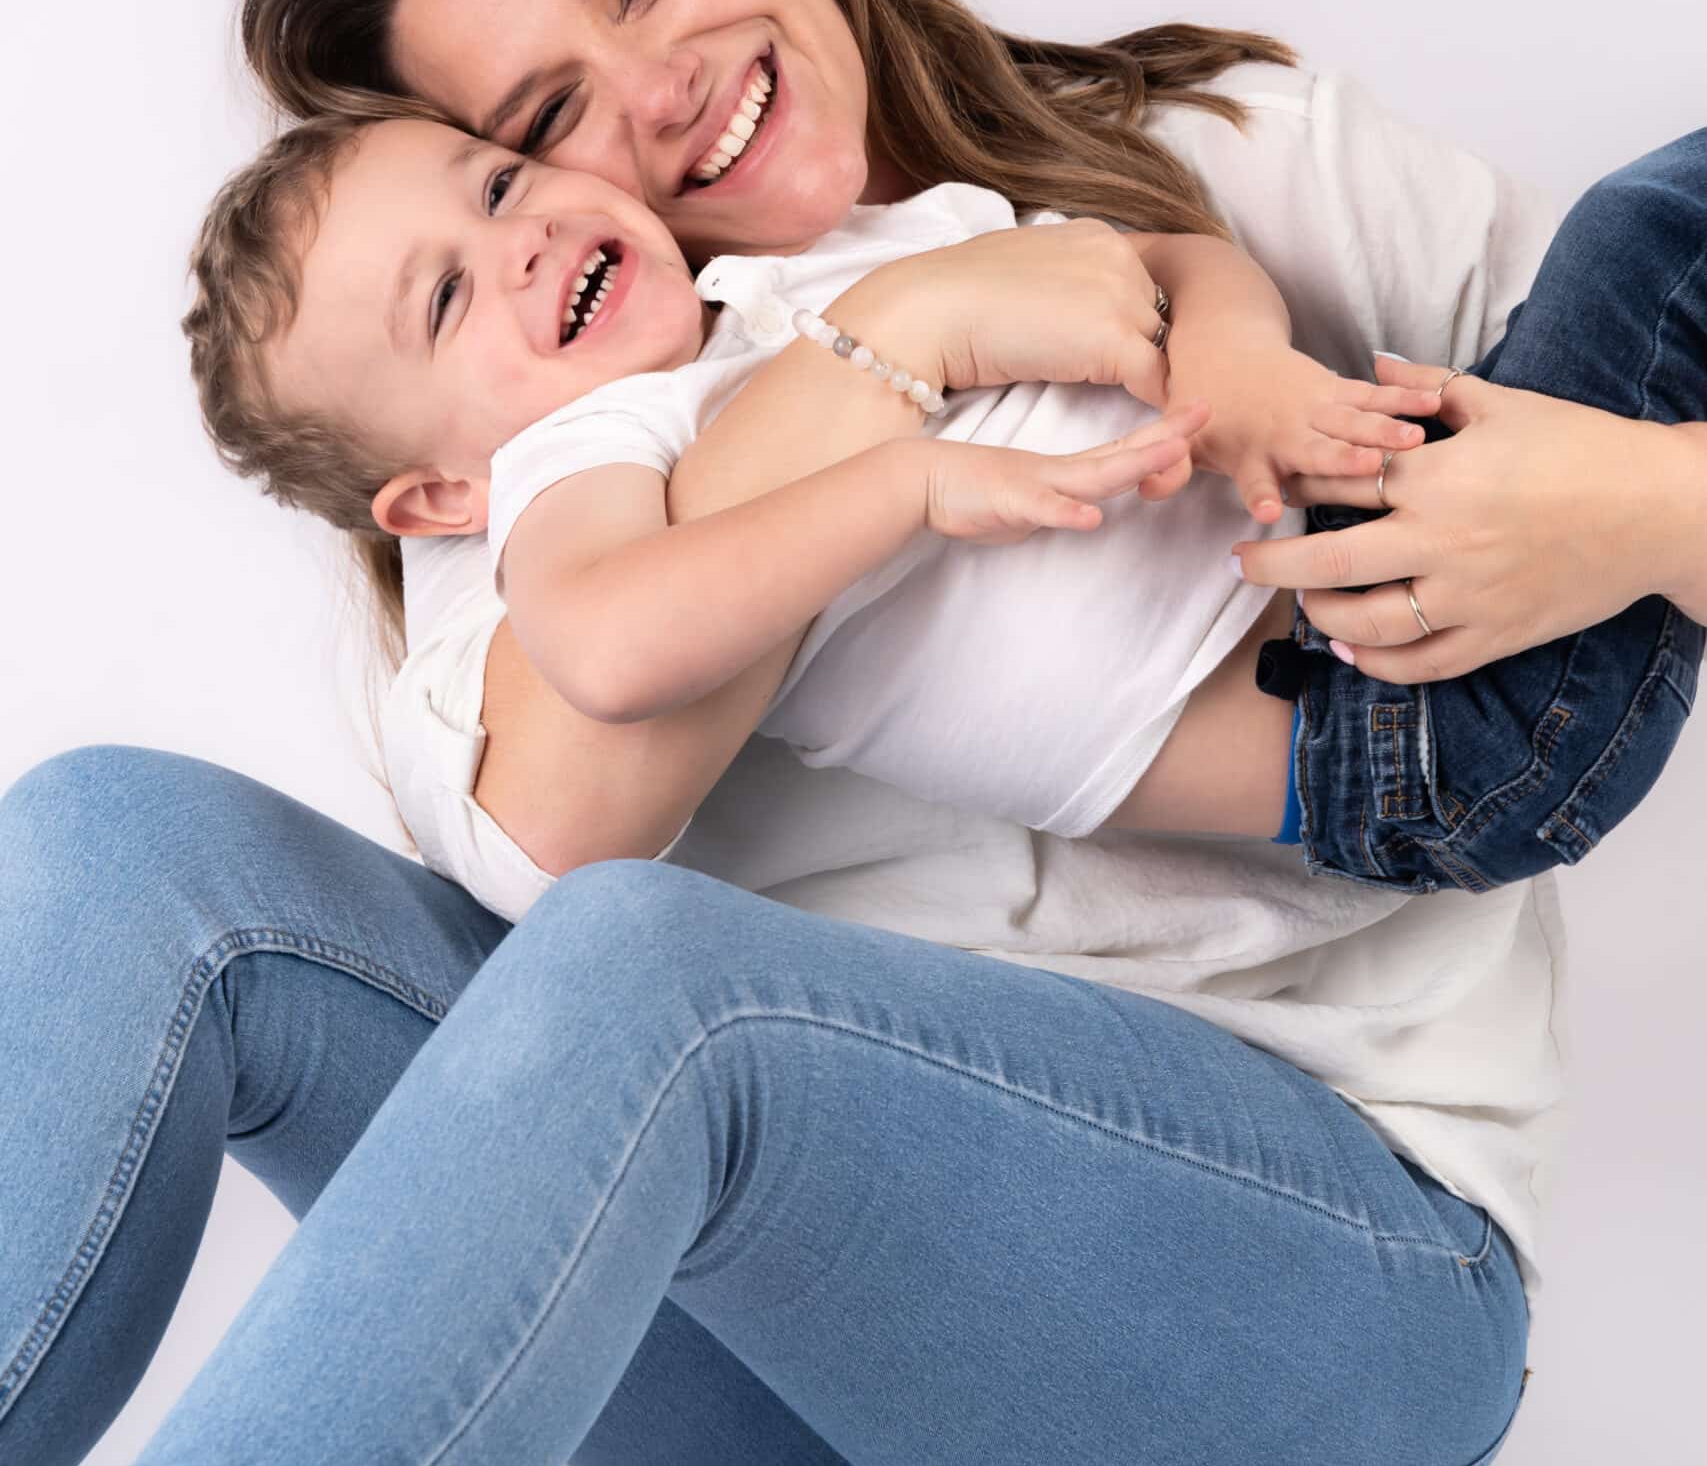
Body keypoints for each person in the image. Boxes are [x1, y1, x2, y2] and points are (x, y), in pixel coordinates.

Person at [2, 0, 1703, 1466]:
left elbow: (1626, 352)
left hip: (1300, 1330)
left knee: (658, 969)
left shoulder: (1219, 160)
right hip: (771, 1381)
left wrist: (1655, 508)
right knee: (124, 830)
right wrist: (891, 354)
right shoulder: (561, 432)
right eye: (533, 118)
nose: (644, 99)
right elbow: (567, 796)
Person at [182, 104, 1701, 891]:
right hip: (1419, 725)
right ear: (438, 495)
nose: (511, 240)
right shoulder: (589, 462)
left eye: (499, 182)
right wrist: (899, 478)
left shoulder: (814, 269)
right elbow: (611, 650)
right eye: (442, 300)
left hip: (1422, 558)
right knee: (1656, 237)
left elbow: (1154, 257)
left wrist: (1233, 354)